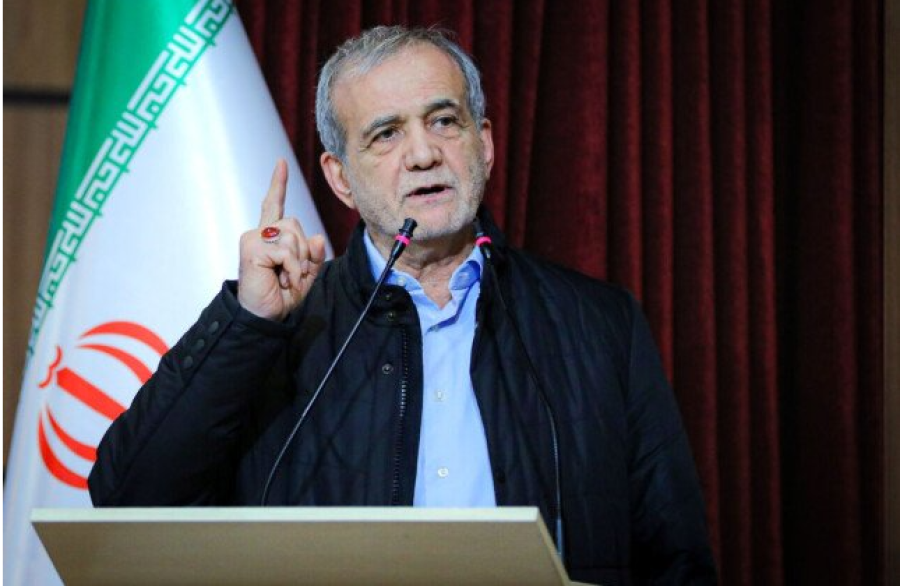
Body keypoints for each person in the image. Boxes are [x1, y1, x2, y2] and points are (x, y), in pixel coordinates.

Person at [89, 25, 717, 585]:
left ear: (484, 144)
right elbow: (126, 501)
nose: (422, 154)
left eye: (444, 121)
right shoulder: (284, 325)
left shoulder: (599, 324)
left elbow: (677, 560)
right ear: (341, 178)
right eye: (386, 134)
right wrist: (247, 324)